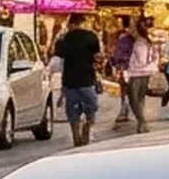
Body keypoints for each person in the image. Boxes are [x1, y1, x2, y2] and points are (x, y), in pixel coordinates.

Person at [53, 12, 102, 147]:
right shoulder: (91, 36)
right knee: (92, 108)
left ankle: (76, 137)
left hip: (70, 81)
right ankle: (87, 127)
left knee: (72, 112)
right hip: (87, 79)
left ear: (70, 23)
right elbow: (98, 57)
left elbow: (57, 59)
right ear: (83, 22)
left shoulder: (63, 39)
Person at [119, 20, 157, 133]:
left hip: (137, 73)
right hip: (146, 72)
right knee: (140, 98)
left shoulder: (139, 43)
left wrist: (129, 60)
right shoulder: (148, 41)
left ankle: (142, 121)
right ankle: (141, 122)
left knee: (133, 99)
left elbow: (141, 58)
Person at [109, 20, 138, 125]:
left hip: (127, 68)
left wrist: (117, 64)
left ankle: (125, 111)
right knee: (132, 91)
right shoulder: (138, 40)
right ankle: (130, 111)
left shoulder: (123, 41)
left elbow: (117, 55)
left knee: (125, 90)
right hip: (136, 69)